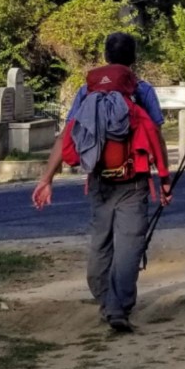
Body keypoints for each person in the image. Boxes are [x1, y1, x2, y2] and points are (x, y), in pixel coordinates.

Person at [31, 32, 169, 333]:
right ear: (134, 59)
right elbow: (155, 136)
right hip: (134, 181)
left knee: (100, 247)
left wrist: (47, 178)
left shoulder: (86, 93)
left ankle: (109, 304)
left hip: (98, 182)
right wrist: (165, 179)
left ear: (106, 57)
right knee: (129, 249)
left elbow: (67, 135)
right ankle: (117, 308)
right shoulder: (142, 90)